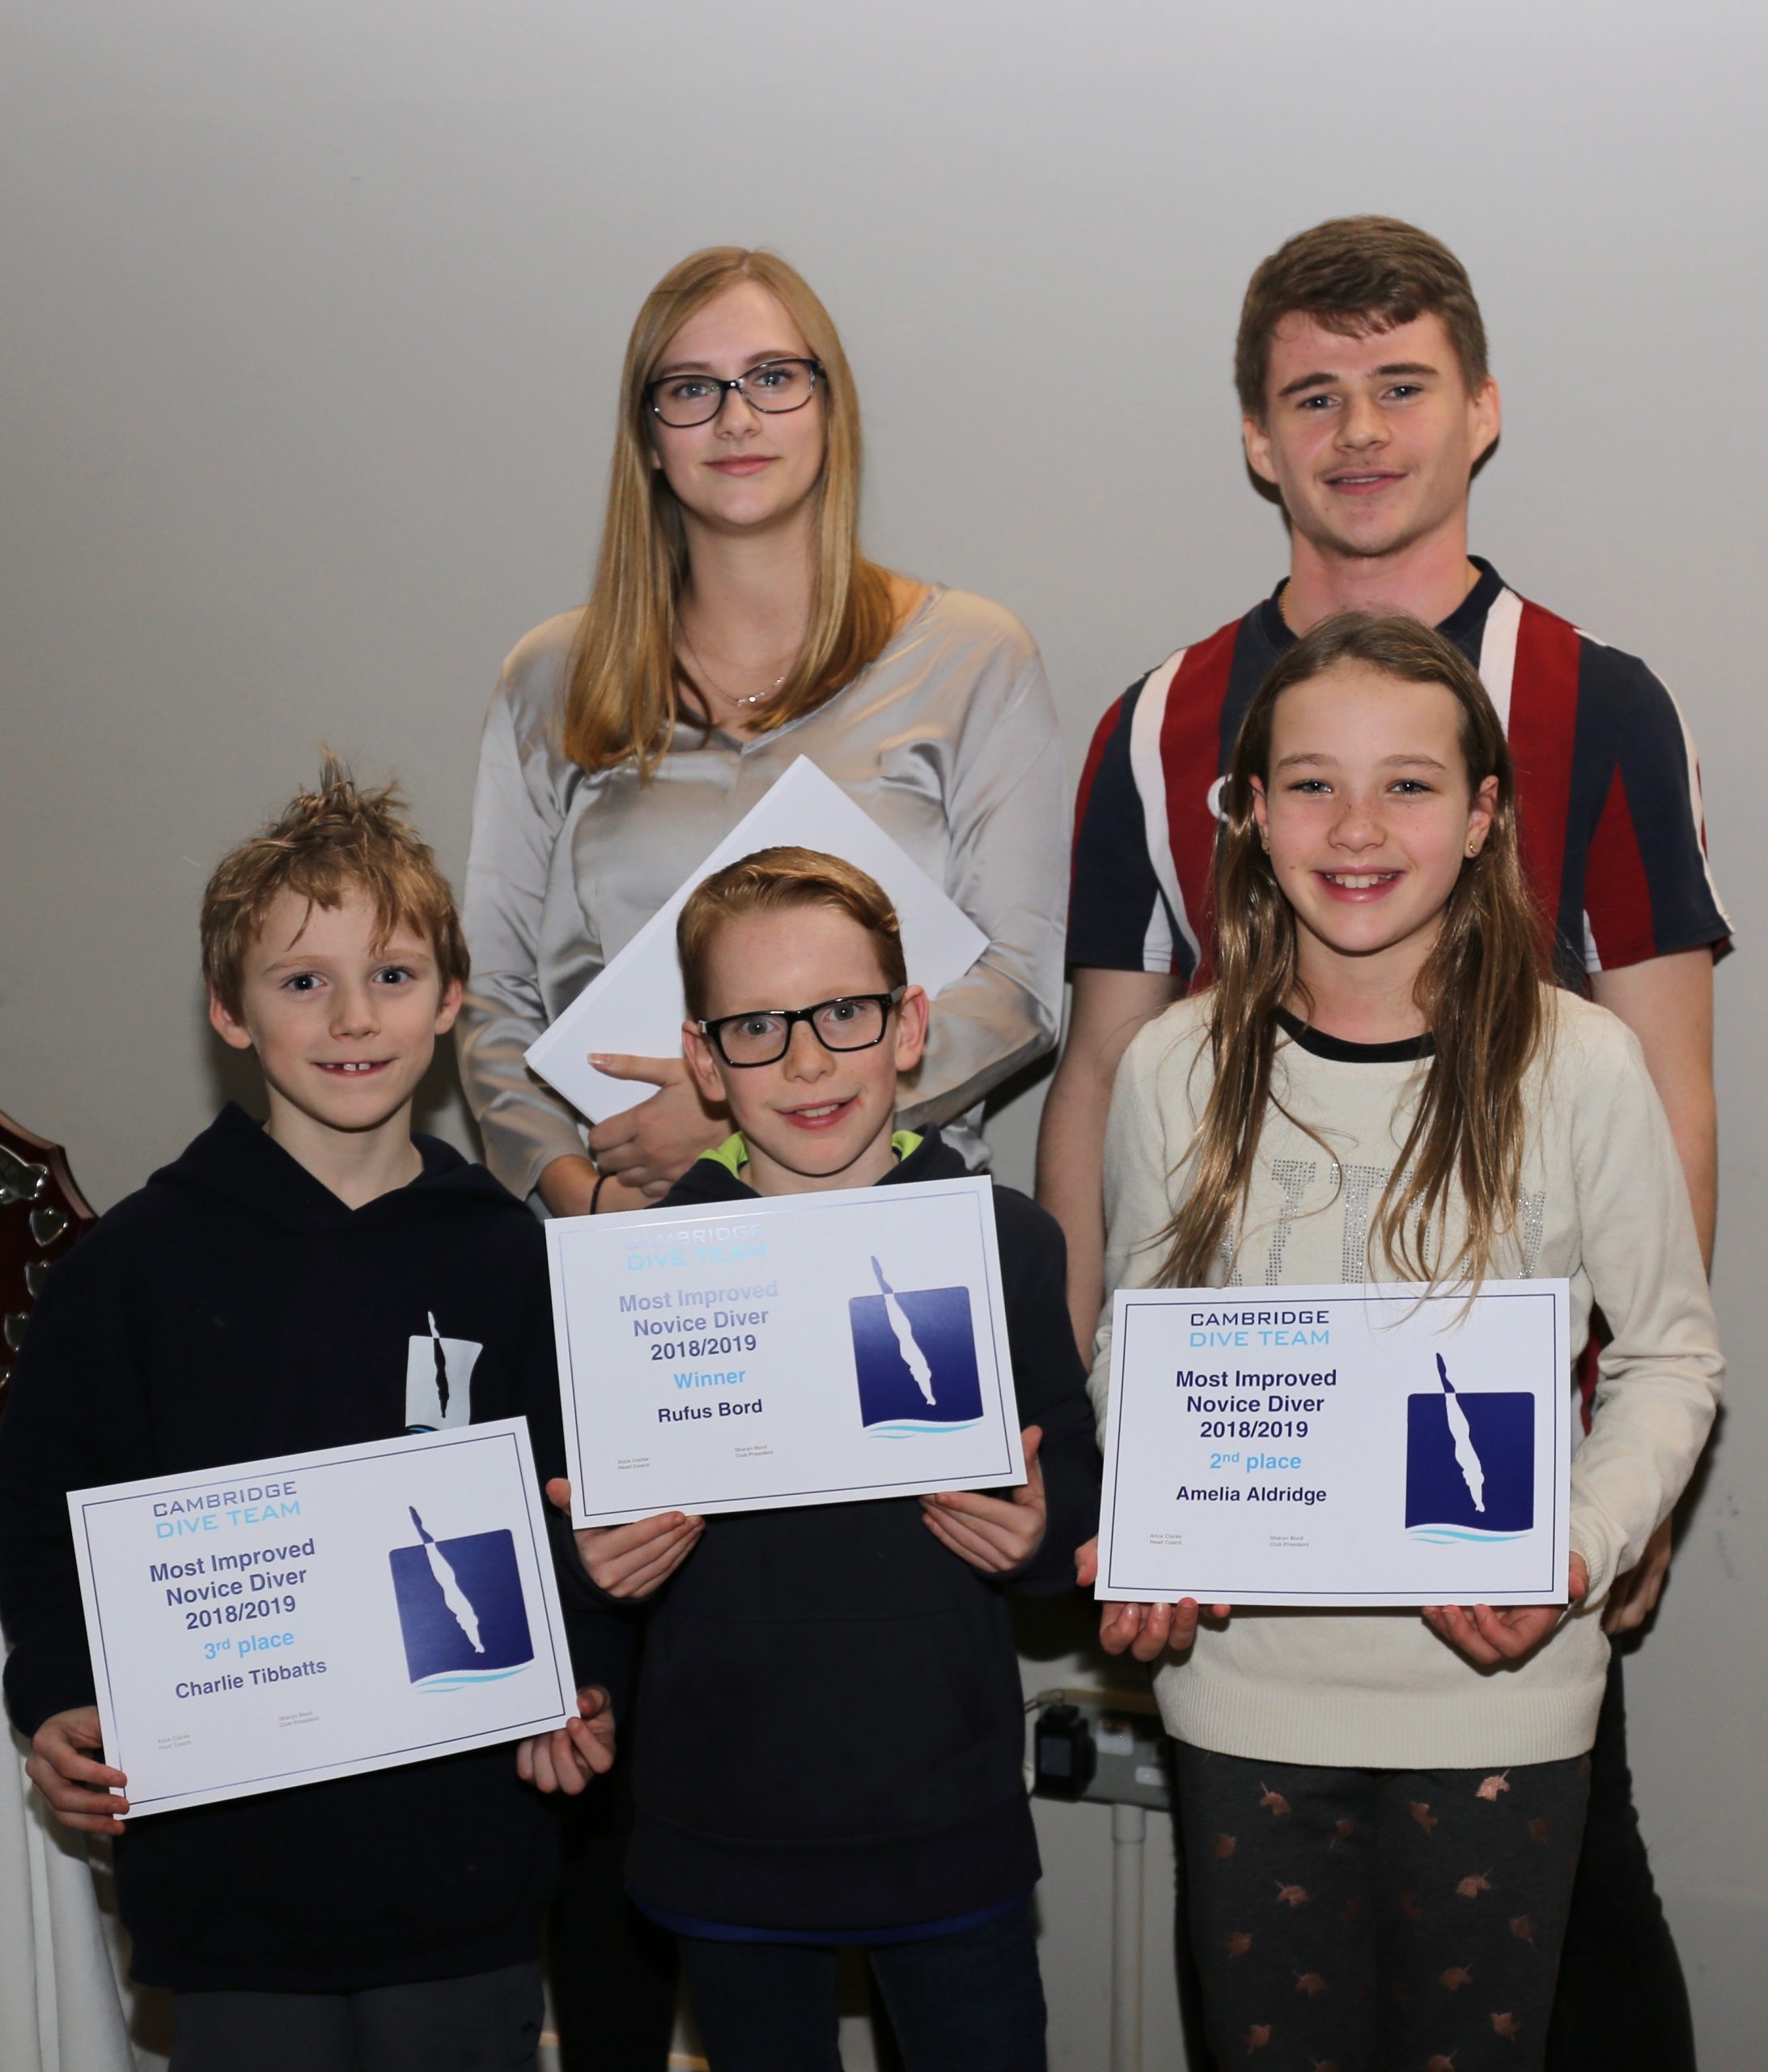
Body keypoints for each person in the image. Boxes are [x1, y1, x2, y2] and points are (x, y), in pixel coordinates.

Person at [1039, 215, 1728, 2067]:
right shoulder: (1159, 727)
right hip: (1254, 1605)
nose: (1357, 430)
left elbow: (1667, 1097)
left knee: (1578, 1974)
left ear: (1480, 409)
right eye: (1311, 394)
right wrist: (1134, 1489)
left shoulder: (1597, 700)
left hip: (1501, 1511)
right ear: (1256, 434)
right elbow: (1106, 1096)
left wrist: (1599, 1508)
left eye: (1401, 384)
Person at [0, 761, 625, 2072]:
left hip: (467, 1879)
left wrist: (586, 1681)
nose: (354, 1016)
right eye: (302, 982)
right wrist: (53, 1697)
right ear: (231, 1010)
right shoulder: (132, 1272)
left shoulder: (512, 1265)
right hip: (233, 1889)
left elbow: (585, 1516)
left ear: (452, 1002)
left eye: (392, 976)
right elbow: (47, 1505)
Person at [532, 847, 1100, 2072]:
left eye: (842, 1013)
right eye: (755, 1027)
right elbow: (585, 1550)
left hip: (943, 1817)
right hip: (724, 1826)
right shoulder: (633, 1277)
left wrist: (1041, 1531)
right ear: (702, 1059)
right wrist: (592, 1578)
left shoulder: (998, 1246)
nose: (804, 1061)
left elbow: (1074, 1519)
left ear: (908, 1026)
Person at [457, 244, 1066, 1218]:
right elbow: (491, 1002)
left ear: (832, 409)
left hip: (895, 1220)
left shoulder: (971, 658)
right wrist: (584, 1204)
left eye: (774, 378)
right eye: (692, 388)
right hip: (626, 1231)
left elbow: (1017, 990)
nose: (736, 417)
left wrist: (754, 1114)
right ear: (649, 436)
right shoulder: (549, 680)